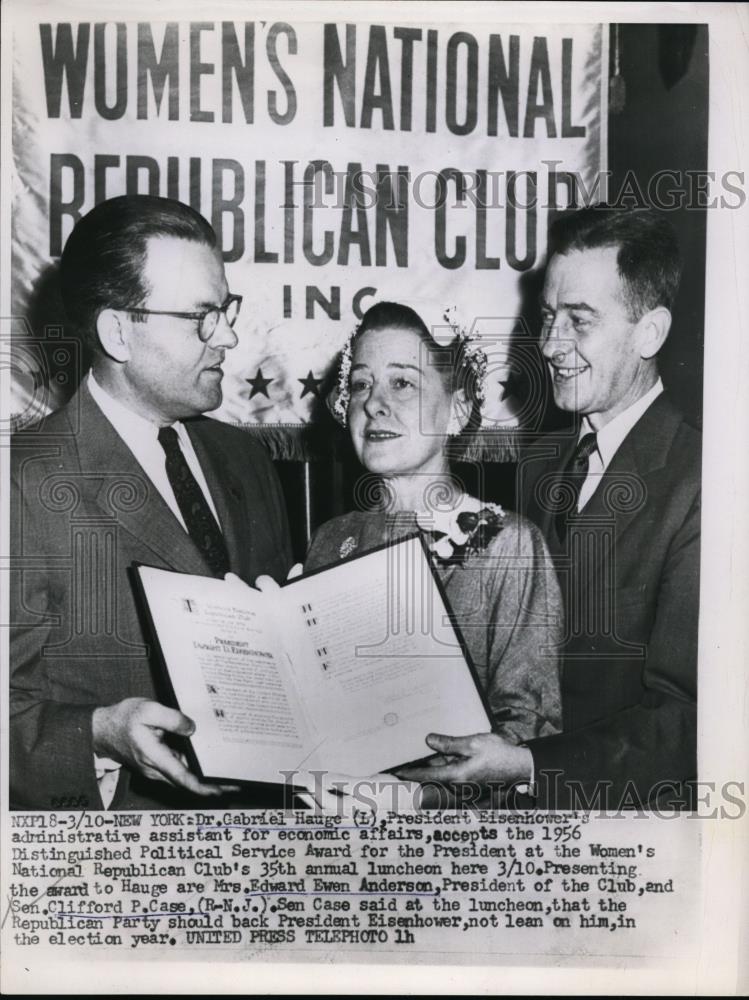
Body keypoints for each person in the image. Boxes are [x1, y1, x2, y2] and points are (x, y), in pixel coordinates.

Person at [400, 206, 700, 810]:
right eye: (547, 317)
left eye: (579, 321)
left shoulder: (706, 481)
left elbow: (690, 724)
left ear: (651, 332)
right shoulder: (541, 467)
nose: (549, 343)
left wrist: (529, 764)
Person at [10, 194, 293, 810]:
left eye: (226, 310)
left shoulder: (245, 458)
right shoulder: (23, 481)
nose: (229, 337)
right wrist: (99, 734)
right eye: (201, 318)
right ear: (117, 331)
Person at [304, 301, 562, 771]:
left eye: (402, 383)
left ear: (457, 411)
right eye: (361, 384)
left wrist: (421, 796)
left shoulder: (508, 543)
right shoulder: (329, 540)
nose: (373, 403)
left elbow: (527, 726)